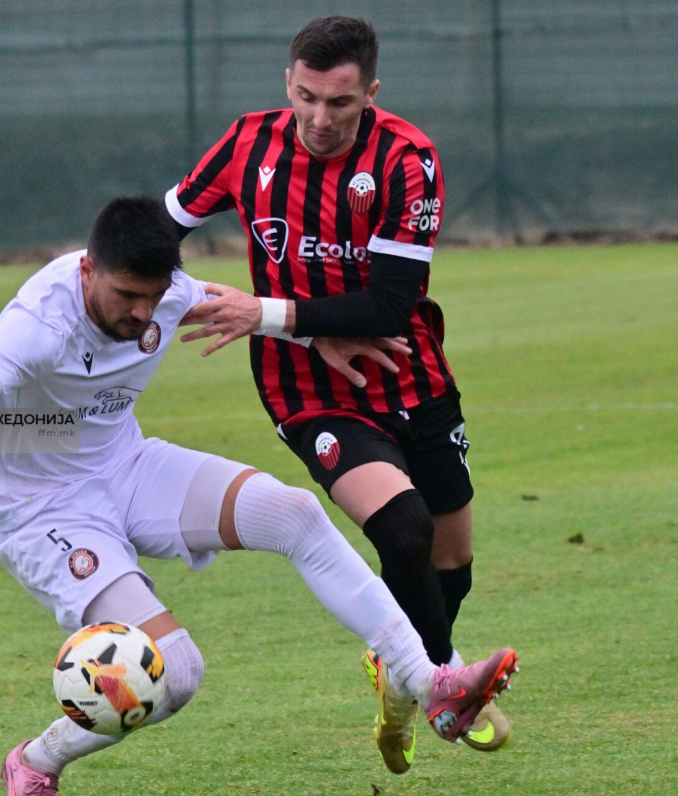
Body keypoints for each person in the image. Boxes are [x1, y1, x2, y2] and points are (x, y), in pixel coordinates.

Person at [0, 196, 516, 793]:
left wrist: (314, 336)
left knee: (294, 514)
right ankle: (36, 761)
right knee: (176, 673)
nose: (143, 312)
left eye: (154, 295)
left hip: (126, 466)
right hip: (43, 509)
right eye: (126, 295)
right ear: (88, 270)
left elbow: (235, 308)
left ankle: (430, 683)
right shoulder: (41, 324)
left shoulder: (165, 294)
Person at [164, 16, 508, 773]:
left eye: (340, 103)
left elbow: (388, 305)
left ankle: (398, 672)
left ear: (371, 93)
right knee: (404, 532)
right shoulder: (246, 143)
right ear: (288, 83)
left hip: (413, 374)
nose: (319, 119)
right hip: (306, 389)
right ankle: (443, 686)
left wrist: (268, 313)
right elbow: (155, 237)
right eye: (306, 97)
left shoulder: (407, 160)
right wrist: (285, 328)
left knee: (453, 561)